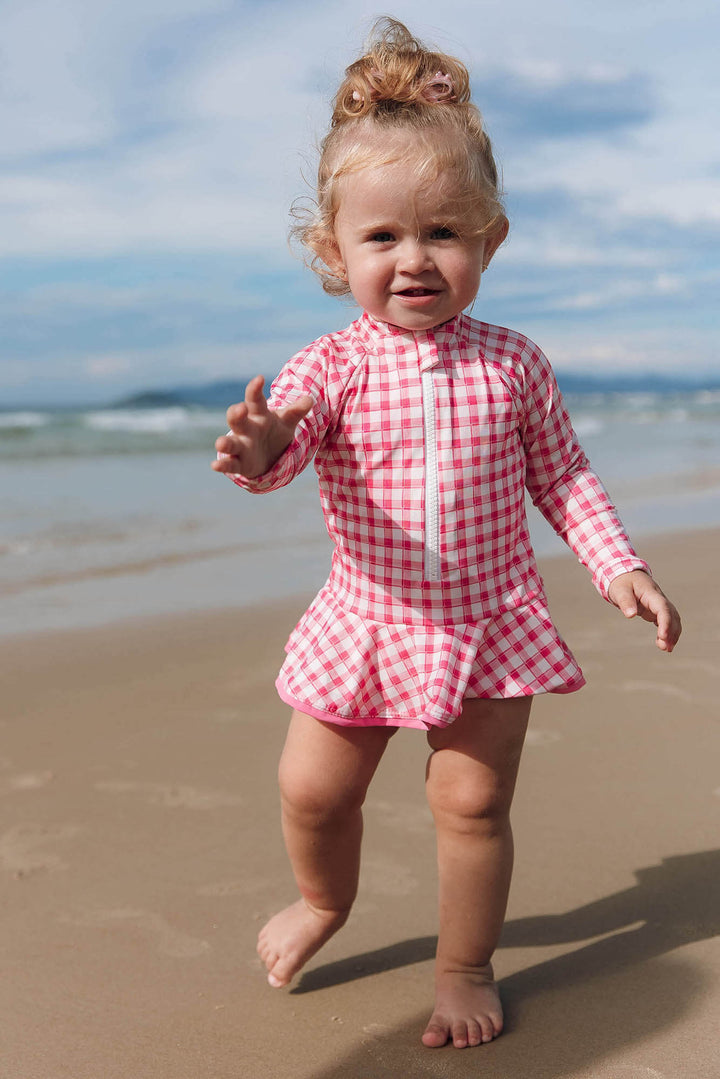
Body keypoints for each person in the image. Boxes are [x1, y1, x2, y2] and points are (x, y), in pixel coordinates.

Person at [212, 18, 682, 1050]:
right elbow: (289, 444)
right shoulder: (328, 366)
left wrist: (619, 565)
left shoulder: (515, 362)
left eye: (444, 232)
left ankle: (464, 963)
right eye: (382, 237)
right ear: (335, 251)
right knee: (314, 789)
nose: (414, 259)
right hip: (369, 616)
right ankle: (321, 899)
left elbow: (562, 474)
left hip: (489, 622)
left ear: (490, 240)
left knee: (471, 805)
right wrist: (259, 448)